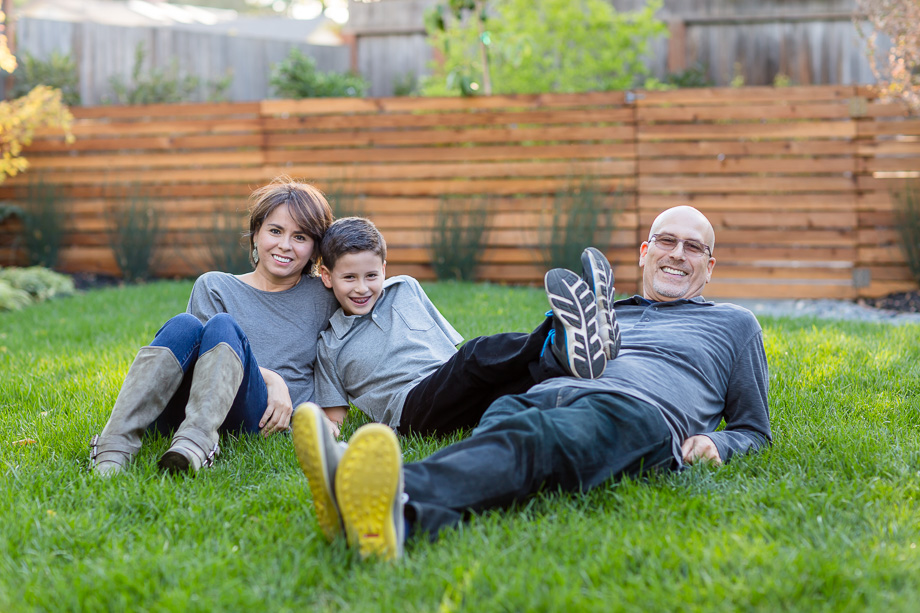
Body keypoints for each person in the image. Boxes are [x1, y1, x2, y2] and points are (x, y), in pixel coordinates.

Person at [293, 205, 771, 560]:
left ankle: (388, 493)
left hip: (636, 411)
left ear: (710, 266)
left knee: (531, 440)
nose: (678, 254)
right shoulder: (613, 312)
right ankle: (393, 517)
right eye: (667, 241)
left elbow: (754, 428)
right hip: (545, 391)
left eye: (694, 248)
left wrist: (720, 443)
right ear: (645, 254)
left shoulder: (733, 323)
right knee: (503, 432)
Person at [89, 176, 339, 476]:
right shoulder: (215, 286)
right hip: (193, 407)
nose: (285, 245)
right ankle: (114, 444)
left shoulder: (322, 296)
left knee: (221, 325)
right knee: (188, 325)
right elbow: (200, 368)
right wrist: (273, 378)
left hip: (258, 416)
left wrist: (330, 417)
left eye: (300, 237)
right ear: (256, 234)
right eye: (275, 231)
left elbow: (340, 352)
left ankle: (196, 443)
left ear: (314, 249)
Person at [310, 216, 620, 437]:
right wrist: (326, 436)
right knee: (474, 354)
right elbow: (334, 418)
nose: (362, 288)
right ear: (327, 276)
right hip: (410, 411)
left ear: (384, 269)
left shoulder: (405, 288)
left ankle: (581, 350)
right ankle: (559, 331)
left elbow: (445, 350)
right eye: (349, 278)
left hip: (448, 390)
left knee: (519, 383)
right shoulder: (331, 343)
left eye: (371, 276)